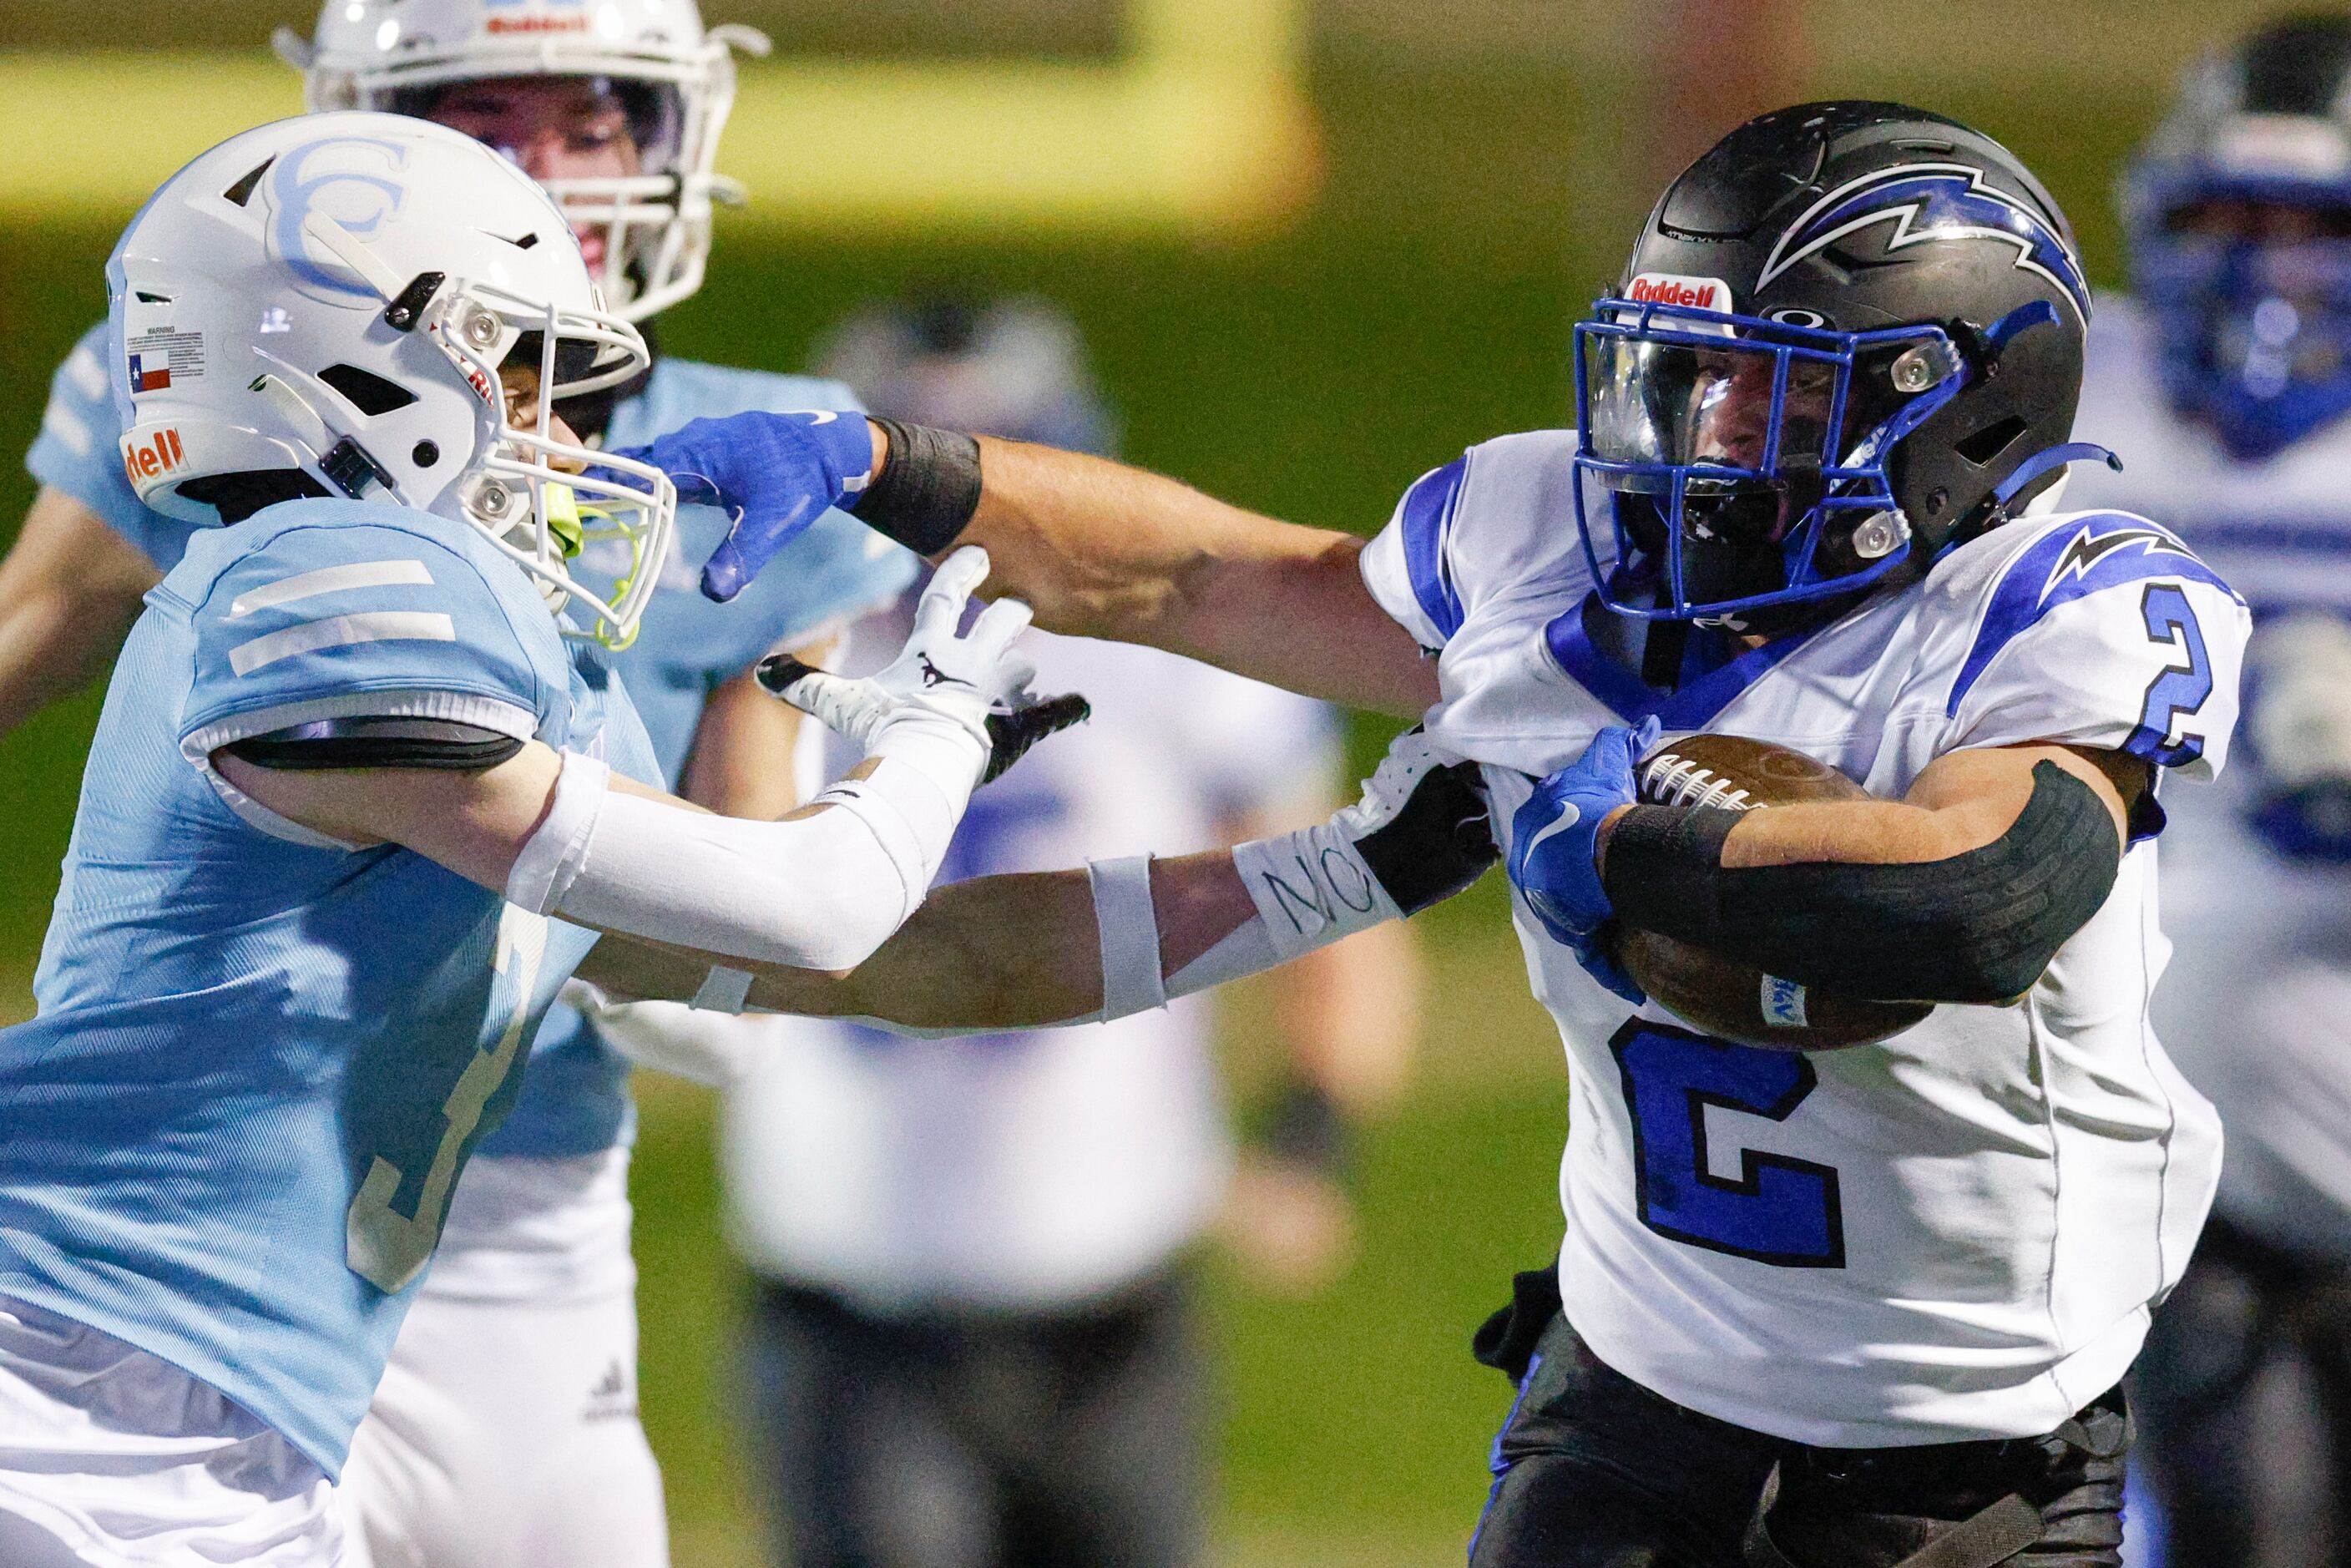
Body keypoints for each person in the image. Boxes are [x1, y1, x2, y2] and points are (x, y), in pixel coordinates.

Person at [589, 100, 2256, 1565]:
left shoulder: (2054, 611)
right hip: (1640, 1390)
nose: (1686, 443)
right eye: (1678, 379)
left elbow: (1983, 893)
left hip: (1961, 1454)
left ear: (1951, 409)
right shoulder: (1546, 559)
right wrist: (890, 465)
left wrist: (1615, 853)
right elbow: (1199, 576)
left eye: (1762, 400)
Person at [0, 111, 1075, 1567]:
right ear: (350, 362)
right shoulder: (325, 583)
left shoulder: (466, 641)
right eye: (514, 373)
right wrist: (941, 729)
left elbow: (757, 958)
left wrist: (1344, 872)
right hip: (66, 1409)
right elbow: (818, 908)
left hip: (210, 1432)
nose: (564, 435)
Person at [719, 296, 1421, 1568]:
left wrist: (1314, 1121)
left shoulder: (1157, 654)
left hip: (1110, 1282)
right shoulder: (760, 645)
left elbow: (1337, 894)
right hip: (855, 1289)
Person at [2069, 15, 2351, 1564]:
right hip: (2185, 1181)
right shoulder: (2079, 408)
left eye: (2316, 229)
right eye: (2231, 221)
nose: (2267, 272)